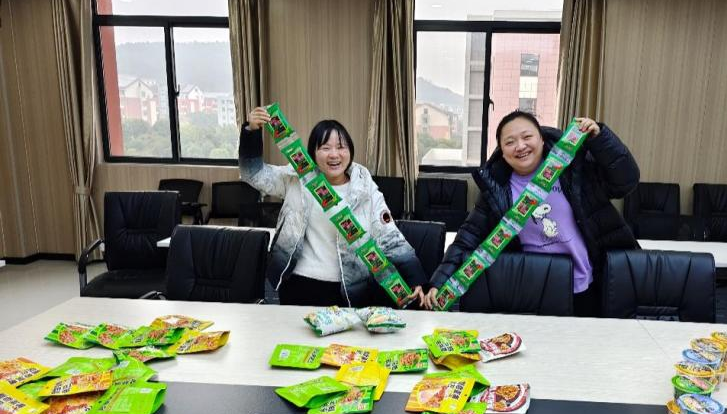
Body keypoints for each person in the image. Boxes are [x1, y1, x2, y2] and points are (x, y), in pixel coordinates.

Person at [423, 110, 640, 315]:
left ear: (542, 139)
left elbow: (626, 182)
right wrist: (439, 282)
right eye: (510, 142)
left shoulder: (573, 168)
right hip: (532, 288)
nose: (520, 146)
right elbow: (468, 238)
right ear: (502, 151)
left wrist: (600, 140)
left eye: (527, 137)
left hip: (585, 283)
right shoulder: (496, 189)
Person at [240, 107, 427, 307]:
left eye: (341, 147)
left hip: (349, 288)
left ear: (350, 151)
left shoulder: (364, 186)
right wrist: (251, 131)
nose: (334, 154)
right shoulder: (296, 177)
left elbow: (388, 233)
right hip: (298, 282)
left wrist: (414, 277)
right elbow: (253, 174)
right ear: (313, 152)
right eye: (325, 148)